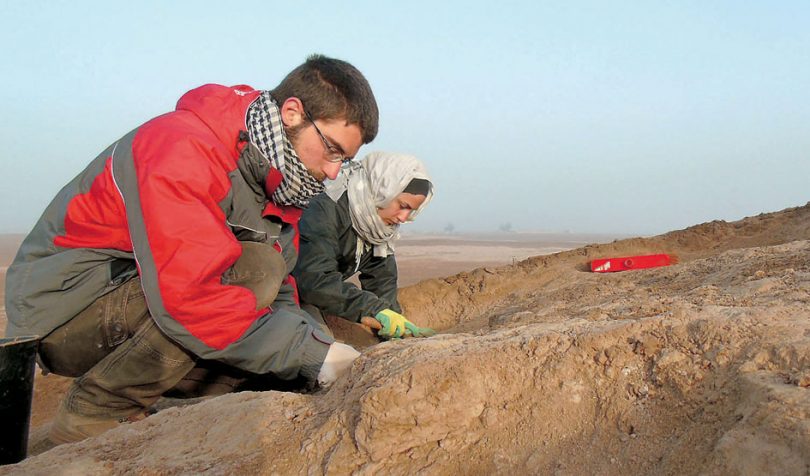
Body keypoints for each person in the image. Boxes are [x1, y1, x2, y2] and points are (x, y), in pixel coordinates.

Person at [4, 54, 377, 444]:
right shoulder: (181, 146)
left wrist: (317, 348)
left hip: (137, 297)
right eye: (333, 150)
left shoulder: (280, 183)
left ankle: (156, 412)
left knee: (269, 359)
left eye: (345, 160)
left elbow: (282, 292)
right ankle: (91, 417)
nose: (335, 171)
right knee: (254, 272)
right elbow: (190, 295)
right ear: (292, 113)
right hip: (63, 310)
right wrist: (315, 355)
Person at [293, 152, 435, 339]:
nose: (403, 217)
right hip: (281, 291)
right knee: (320, 344)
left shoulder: (377, 227)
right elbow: (314, 279)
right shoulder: (326, 208)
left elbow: (382, 280)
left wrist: (396, 329)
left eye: (411, 211)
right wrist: (373, 309)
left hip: (313, 295)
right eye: (402, 205)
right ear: (382, 190)